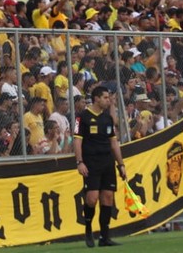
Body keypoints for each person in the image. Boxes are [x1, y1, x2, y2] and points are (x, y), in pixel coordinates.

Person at [74, 85, 126, 247]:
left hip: (107, 162)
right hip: (91, 162)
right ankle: (88, 229)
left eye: (108, 97)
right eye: (105, 97)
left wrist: (121, 164)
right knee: (92, 199)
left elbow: (113, 142)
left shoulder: (107, 118)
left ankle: (105, 237)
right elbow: (77, 140)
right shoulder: (82, 117)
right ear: (96, 98)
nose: (108, 100)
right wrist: (80, 161)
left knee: (108, 198)